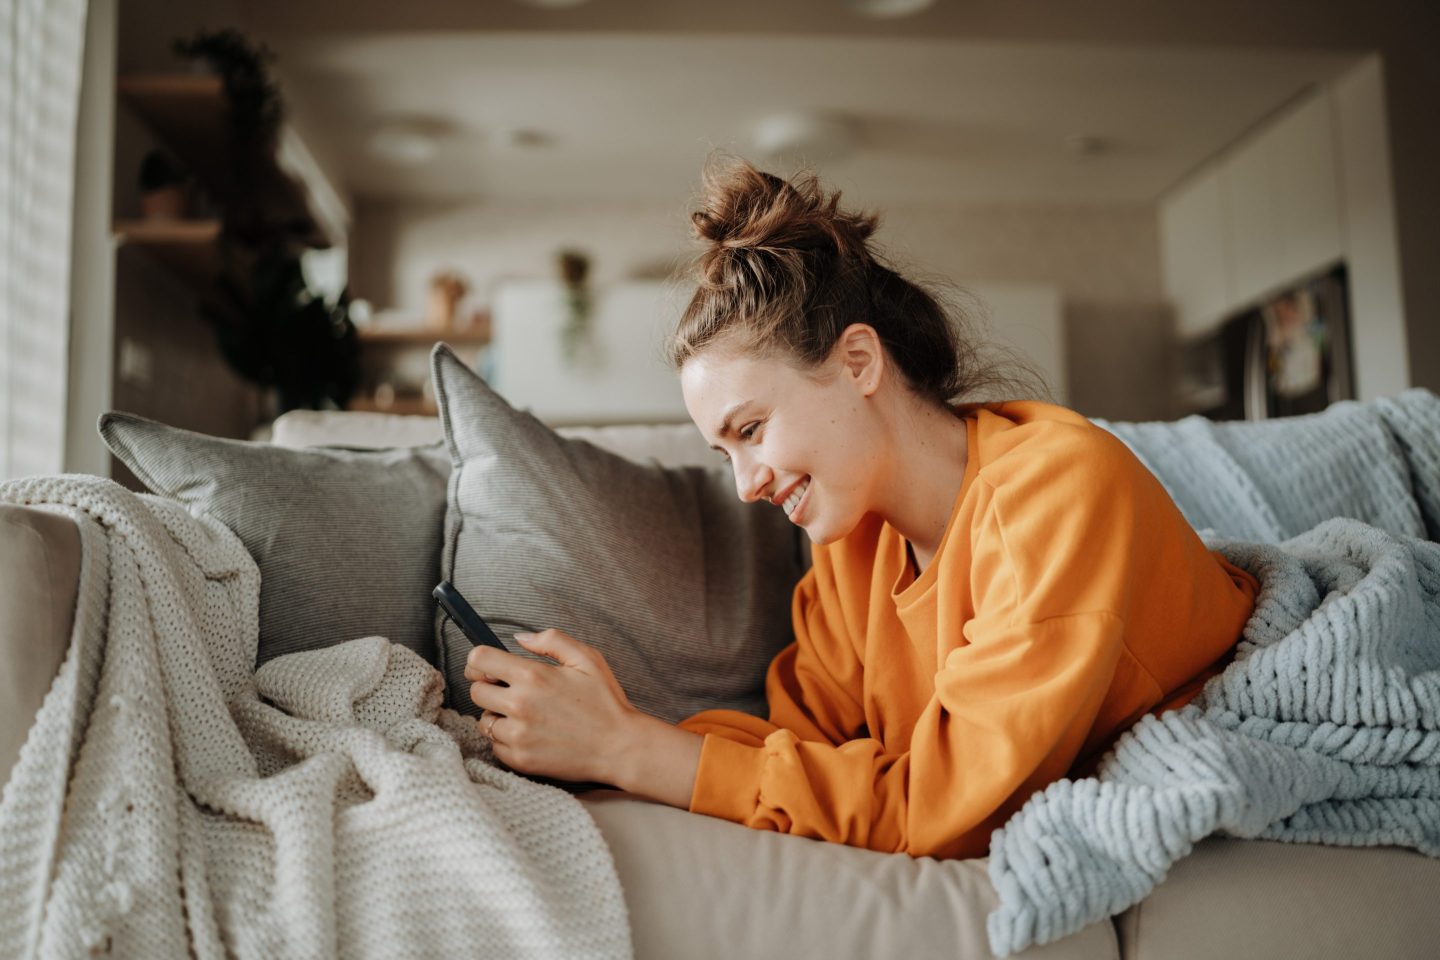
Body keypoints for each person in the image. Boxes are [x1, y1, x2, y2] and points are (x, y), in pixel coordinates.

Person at [465, 157, 1260, 859]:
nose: (747, 485)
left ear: (857, 361)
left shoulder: (1055, 495)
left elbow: (948, 809)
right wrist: (608, 729)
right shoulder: (851, 548)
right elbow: (795, 753)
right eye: (725, 452)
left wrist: (629, 750)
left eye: (752, 430)